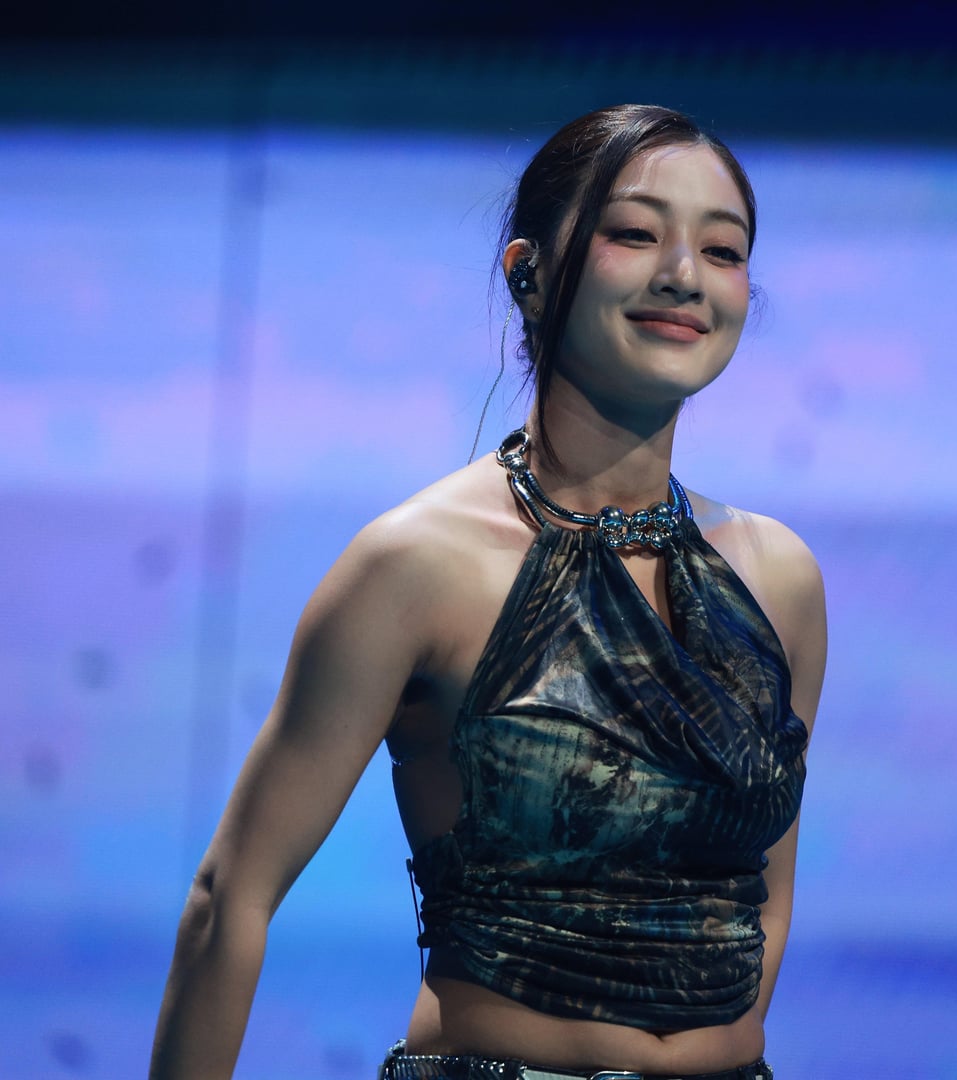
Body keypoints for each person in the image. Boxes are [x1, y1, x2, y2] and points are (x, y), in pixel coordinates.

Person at [150, 103, 827, 1080]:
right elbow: (232, 898)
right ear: (528, 273)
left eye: (722, 250)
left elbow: (765, 896)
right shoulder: (416, 564)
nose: (684, 273)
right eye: (636, 233)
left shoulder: (779, 579)